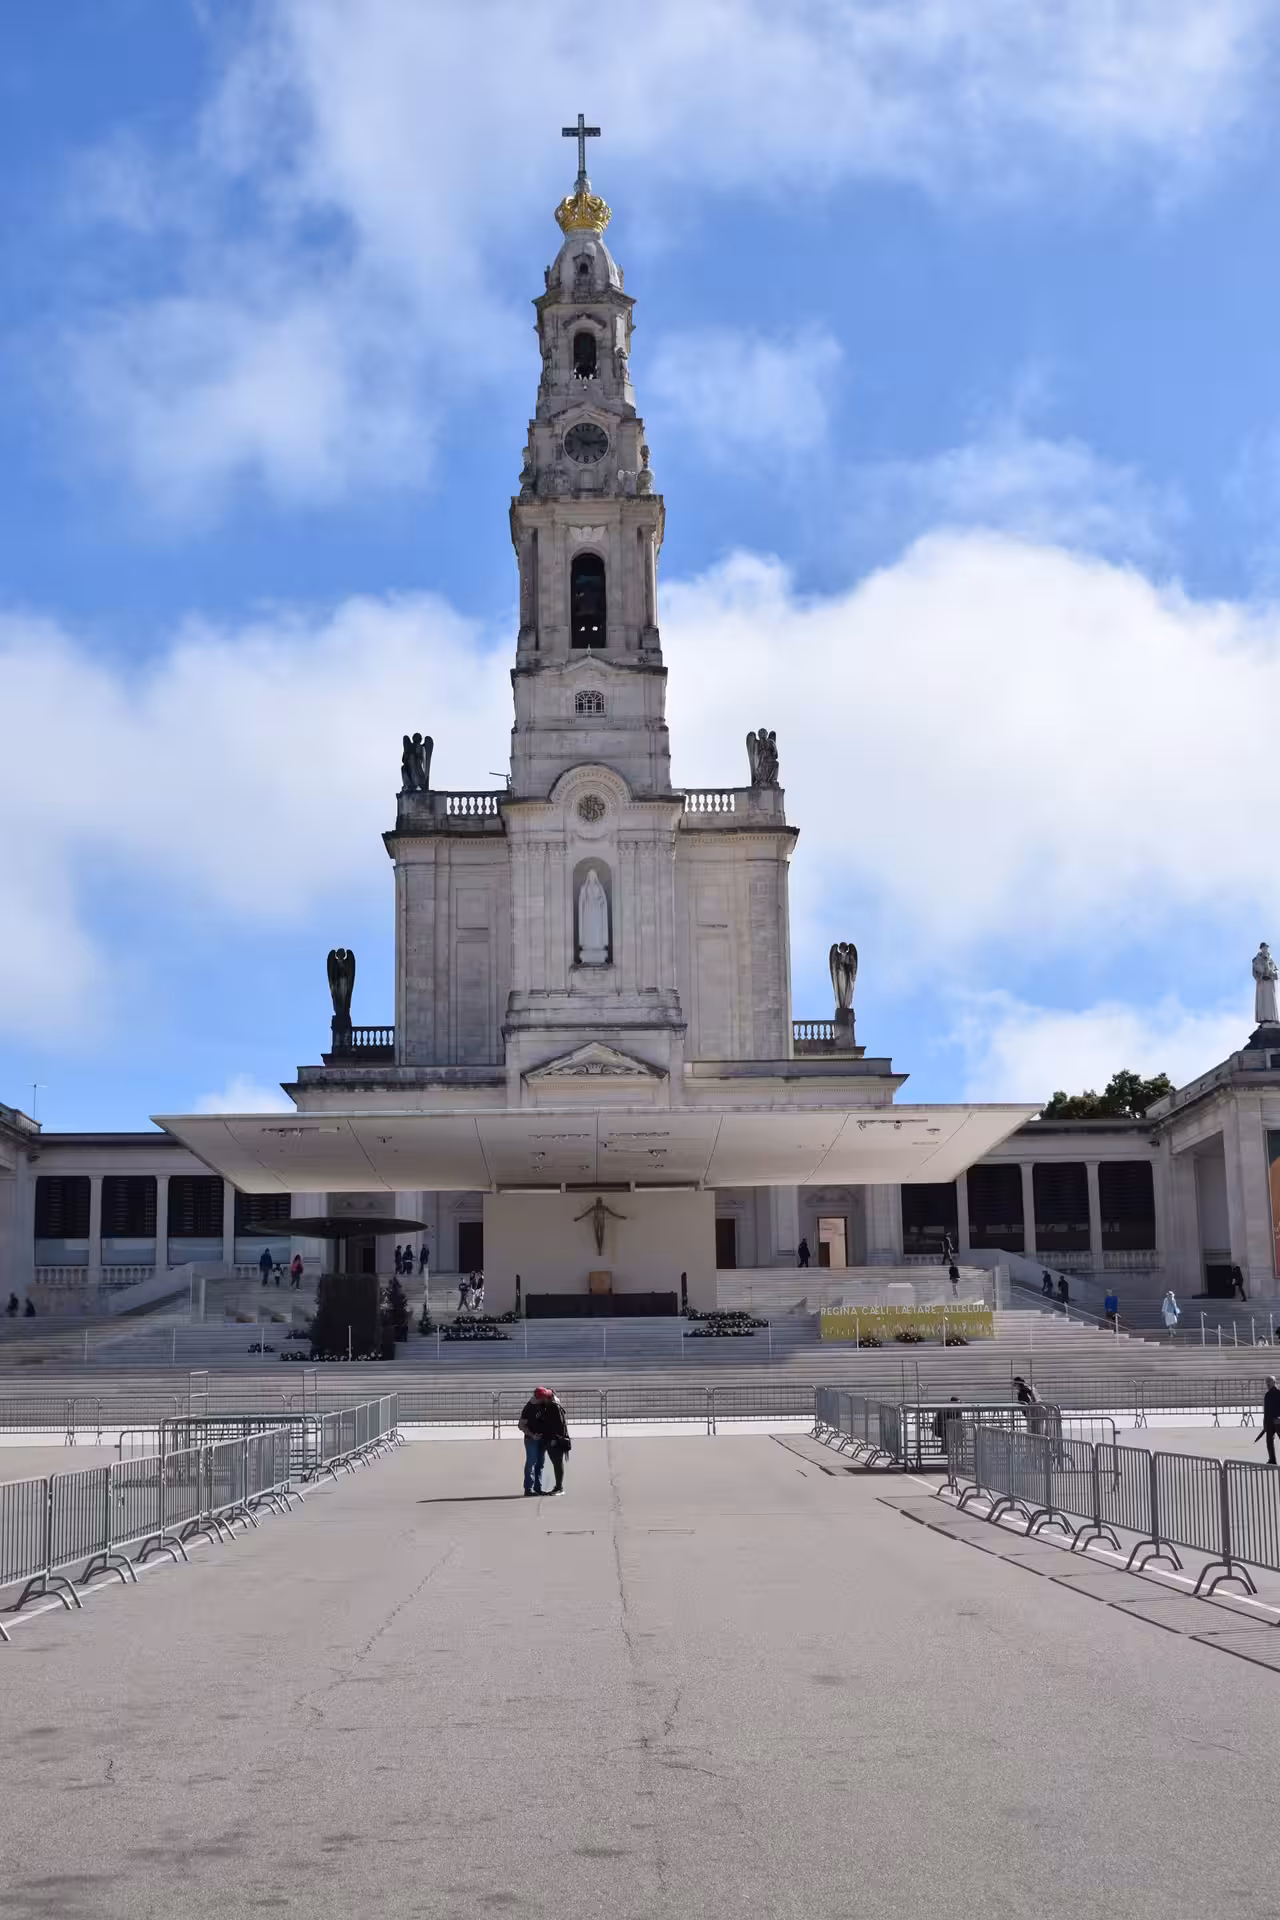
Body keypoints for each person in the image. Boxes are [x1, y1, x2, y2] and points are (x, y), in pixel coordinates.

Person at [518, 1387, 551, 1495]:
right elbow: (521, 1425)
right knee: (531, 1462)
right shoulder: (529, 1408)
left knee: (540, 1463)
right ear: (539, 1397)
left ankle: (538, 1487)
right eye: (543, 1397)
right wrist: (532, 1434)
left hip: (542, 1438)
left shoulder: (545, 1405)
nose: (545, 1399)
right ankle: (528, 1488)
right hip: (531, 1439)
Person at [542, 1388, 571, 1494]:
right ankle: (558, 1486)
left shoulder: (554, 1407)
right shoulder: (551, 1406)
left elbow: (559, 1425)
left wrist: (554, 1438)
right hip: (552, 1438)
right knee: (556, 1463)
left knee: (557, 1463)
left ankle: (559, 1487)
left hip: (555, 1439)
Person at [1263, 1376, 1280, 1466]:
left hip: (1278, 1421)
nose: (1268, 1384)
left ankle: (1272, 1460)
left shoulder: (1278, 1393)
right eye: (1267, 1382)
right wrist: (1264, 1423)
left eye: (1269, 1382)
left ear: (1274, 1382)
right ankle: (1272, 1459)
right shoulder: (1267, 1395)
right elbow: (1265, 1410)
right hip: (1269, 1421)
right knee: (1269, 1441)